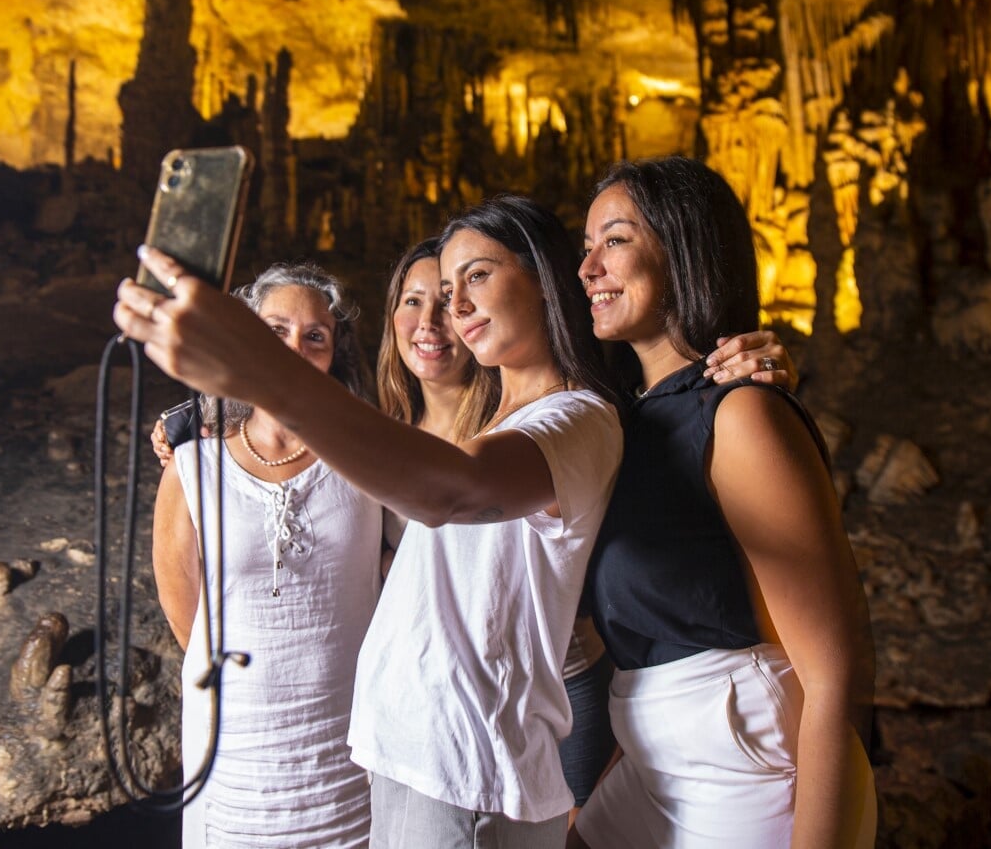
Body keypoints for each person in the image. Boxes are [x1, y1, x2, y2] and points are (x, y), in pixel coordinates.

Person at [118, 194, 623, 847]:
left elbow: (448, 489)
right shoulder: (487, 426)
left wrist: (257, 370)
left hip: (466, 775)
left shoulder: (573, 418)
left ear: (545, 276)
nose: (455, 307)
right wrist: (204, 422)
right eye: (443, 289)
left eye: (477, 276)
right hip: (406, 764)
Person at [571, 156, 877, 848]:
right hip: (651, 757)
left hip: (739, 768)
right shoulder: (622, 422)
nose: (588, 269)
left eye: (614, 241)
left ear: (683, 251)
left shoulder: (740, 417)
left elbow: (833, 669)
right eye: (585, 248)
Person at [151, 263, 382, 848]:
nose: (294, 349)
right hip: (237, 745)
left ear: (335, 355)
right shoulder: (193, 467)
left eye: (315, 337)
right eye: (275, 331)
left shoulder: (371, 459)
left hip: (343, 740)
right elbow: (186, 613)